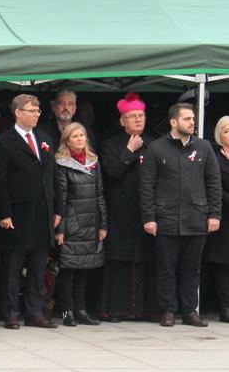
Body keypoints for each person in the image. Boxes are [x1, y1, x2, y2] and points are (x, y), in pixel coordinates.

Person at [140, 103, 222, 327]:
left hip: (196, 217)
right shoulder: (156, 148)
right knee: (166, 269)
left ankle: (189, 311)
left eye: (193, 118)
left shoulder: (204, 147)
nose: (192, 122)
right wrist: (149, 217)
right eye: (187, 119)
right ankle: (168, 310)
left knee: (191, 269)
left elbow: (214, 183)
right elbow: (146, 186)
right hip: (166, 218)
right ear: (173, 121)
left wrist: (215, 214)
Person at [0, 94, 60, 329]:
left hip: (42, 213)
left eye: (38, 110)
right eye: (32, 110)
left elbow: (53, 176)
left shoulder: (44, 138)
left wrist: (58, 208)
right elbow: (0, 181)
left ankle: (35, 311)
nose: (36, 114)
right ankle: (10, 312)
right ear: (18, 113)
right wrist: (4, 212)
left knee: (38, 267)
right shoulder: (3, 142)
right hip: (18, 214)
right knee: (13, 267)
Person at [99, 93, 157, 322]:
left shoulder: (154, 144)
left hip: (146, 211)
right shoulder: (111, 143)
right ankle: (116, 309)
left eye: (141, 115)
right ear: (122, 121)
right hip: (120, 212)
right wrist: (129, 151)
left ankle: (145, 310)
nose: (138, 119)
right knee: (119, 260)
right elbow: (112, 172)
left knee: (147, 260)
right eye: (133, 116)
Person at [54, 123, 106, 326]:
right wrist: (60, 230)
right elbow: (62, 198)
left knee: (85, 268)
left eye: (82, 135)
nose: (80, 139)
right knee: (68, 269)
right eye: (75, 136)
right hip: (72, 224)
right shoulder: (62, 163)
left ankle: (81, 309)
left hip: (91, 223)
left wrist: (103, 225)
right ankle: (67, 310)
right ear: (67, 141)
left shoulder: (93, 162)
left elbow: (100, 194)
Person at [205, 116, 229, 322]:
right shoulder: (214, 157)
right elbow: (214, 187)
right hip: (223, 215)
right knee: (223, 264)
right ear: (219, 135)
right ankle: (225, 307)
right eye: (227, 131)